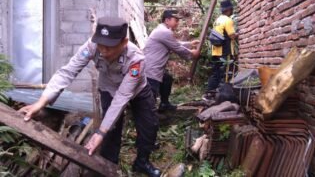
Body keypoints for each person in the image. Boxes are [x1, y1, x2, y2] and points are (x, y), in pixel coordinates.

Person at [18, 17, 161, 177]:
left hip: (137, 91)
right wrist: (41, 102)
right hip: (108, 89)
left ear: (124, 42)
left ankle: (142, 162)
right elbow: (68, 71)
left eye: (109, 47)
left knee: (149, 125)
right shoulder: (92, 46)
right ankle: (108, 167)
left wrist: (100, 131)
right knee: (111, 132)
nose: (103, 51)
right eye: (100, 45)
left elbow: (122, 97)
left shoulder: (136, 60)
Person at [143, 10, 200, 112]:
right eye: (176, 20)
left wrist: (190, 44)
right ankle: (150, 117)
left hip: (152, 67)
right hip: (151, 69)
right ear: (167, 20)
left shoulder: (162, 30)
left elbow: (174, 43)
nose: (177, 23)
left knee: (167, 79)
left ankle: (164, 104)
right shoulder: (164, 32)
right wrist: (192, 53)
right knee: (150, 97)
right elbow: (177, 48)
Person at [204, 0, 238, 100]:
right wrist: (238, 34)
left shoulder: (217, 20)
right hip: (225, 51)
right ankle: (223, 97)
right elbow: (232, 36)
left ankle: (209, 94)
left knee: (216, 73)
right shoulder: (228, 20)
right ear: (229, 10)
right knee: (225, 74)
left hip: (215, 51)